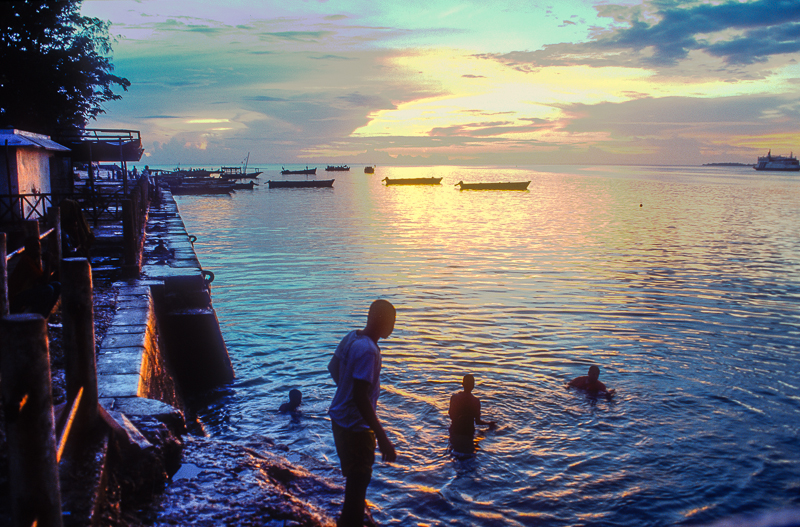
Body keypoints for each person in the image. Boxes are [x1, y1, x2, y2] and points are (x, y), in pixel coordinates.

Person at [328, 299, 397, 527]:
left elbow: (332, 367)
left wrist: (345, 390)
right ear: (381, 321)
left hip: (339, 419)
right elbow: (360, 397)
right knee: (360, 480)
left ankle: (351, 516)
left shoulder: (352, 337)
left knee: (354, 479)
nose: (393, 327)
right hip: (355, 427)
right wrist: (382, 436)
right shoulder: (369, 351)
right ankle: (351, 521)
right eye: (392, 322)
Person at [448, 374, 496, 454]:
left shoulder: (454, 398)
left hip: (455, 430)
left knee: (454, 452)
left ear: (462, 384)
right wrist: (489, 424)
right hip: (468, 432)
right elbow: (478, 422)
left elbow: (451, 415)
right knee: (470, 452)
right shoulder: (476, 401)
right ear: (473, 386)